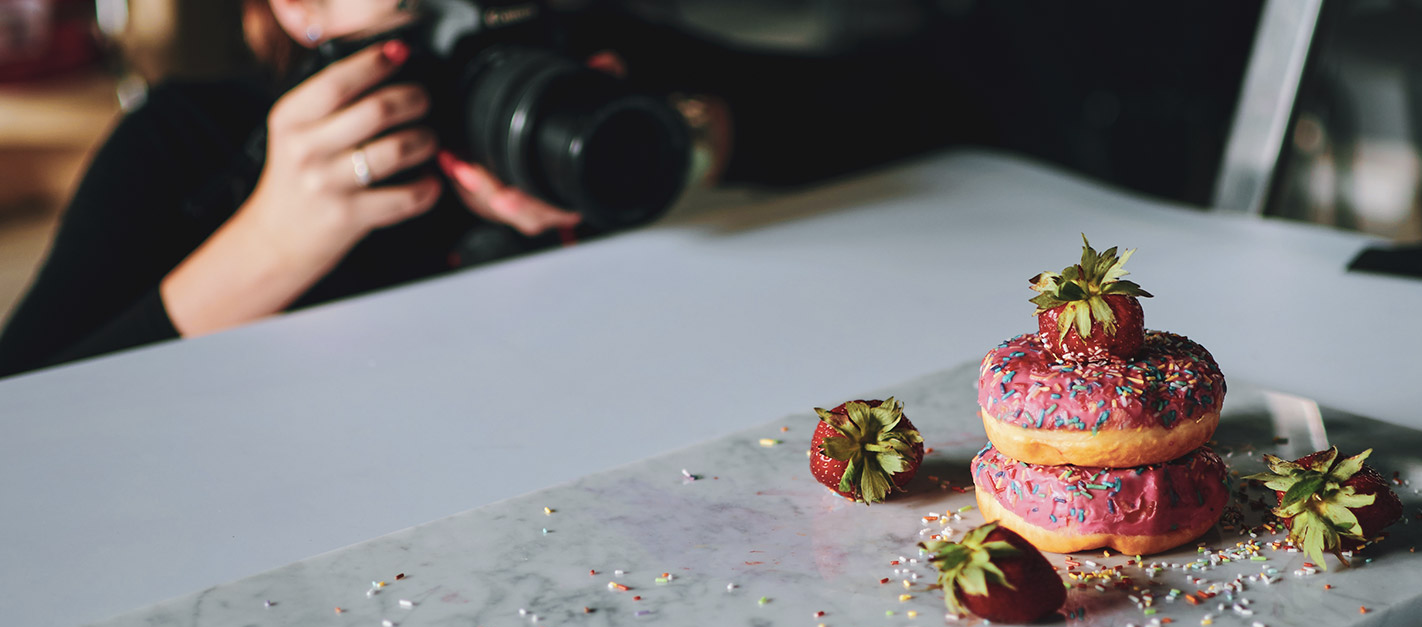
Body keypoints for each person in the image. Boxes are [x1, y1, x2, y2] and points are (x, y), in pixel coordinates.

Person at [0, 0, 986, 379]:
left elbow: (920, 101)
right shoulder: (187, 144)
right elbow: (26, 436)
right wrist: (267, 244)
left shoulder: (578, 59)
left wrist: (687, 142)